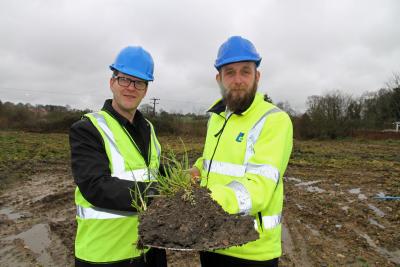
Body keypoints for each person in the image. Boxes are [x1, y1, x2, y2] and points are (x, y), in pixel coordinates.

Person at [191, 36, 293, 266]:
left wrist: (203, 203)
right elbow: (213, 162)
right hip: (210, 241)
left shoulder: (274, 120)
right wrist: (195, 171)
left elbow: (260, 186)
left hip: (250, 250)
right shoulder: (216, 119)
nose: (237, 80)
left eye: (245, 71)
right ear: (219, 79)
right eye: (230, 72)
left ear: (257, 76)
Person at [69, 46, 167, 267]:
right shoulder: (88, 128)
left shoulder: (149, 128)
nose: (131, 88)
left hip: (150, 247)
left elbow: (154, 171)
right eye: (124, 80)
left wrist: (181, 179)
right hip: (105, 254)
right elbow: (96, 186)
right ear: (112, 82)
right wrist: (160, 194)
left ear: (145, 89)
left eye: (139, 82)